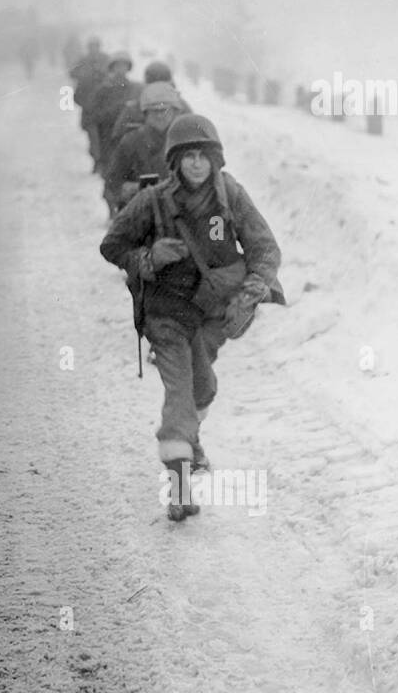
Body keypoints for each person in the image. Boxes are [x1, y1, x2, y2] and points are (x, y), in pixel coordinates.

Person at [99, 116, 284, 521]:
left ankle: (191, 442)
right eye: (189, 157)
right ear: (175, 162)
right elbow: (112, 245)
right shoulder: (154, 201)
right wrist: (148, 259)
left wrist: (250, 293)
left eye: (204, 156)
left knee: (204, 387)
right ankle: (179, 489)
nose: (197, 164)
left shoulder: (230, 194)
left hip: (212, 313)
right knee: (180, 393)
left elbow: (265, 250)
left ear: (215, 159)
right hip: (166, 312)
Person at [102, 81, 188, 217]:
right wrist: (136, 190)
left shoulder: (185, 140)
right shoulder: (131, 141)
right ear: (145, 113)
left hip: (181, 212)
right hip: (141, 213)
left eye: (165, 110)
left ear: (175, 112)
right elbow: (113, 183)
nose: (160, 115)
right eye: (154, 111)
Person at [90, 51, 142, 175]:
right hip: (108, 136)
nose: (121, 70)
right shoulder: (103, 90)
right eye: (117, 66)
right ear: (112, 68)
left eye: (124, 66)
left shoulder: (135, 88)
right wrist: (118, 110)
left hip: (128, 135)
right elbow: (95, 115)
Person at [70, 36, 109, 173]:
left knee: (105, 139)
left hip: (105, 110)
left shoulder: (106, 60)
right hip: (89, 109)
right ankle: (96, 161)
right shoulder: (83, 61)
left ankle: (102, 162)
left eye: (96, 46)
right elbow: (72, 74)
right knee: (93, 139)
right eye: (91, 46)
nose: (94, 49)